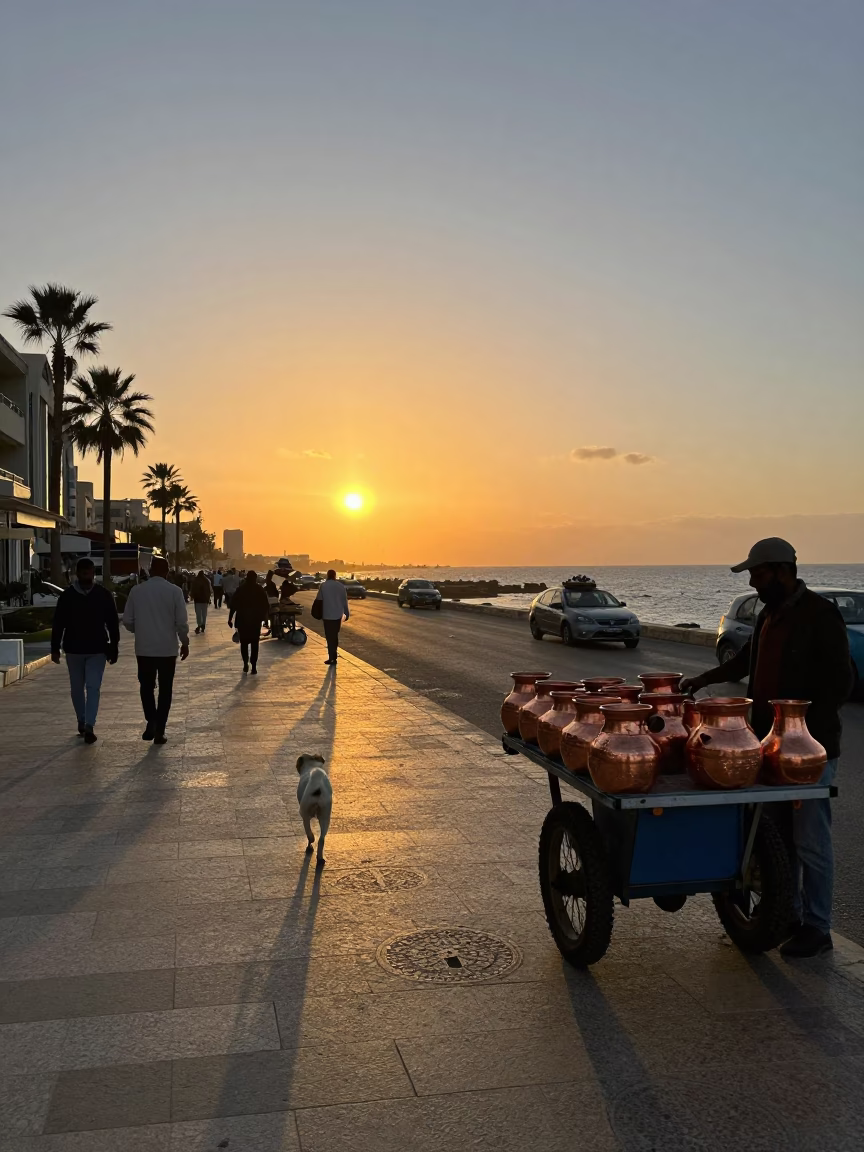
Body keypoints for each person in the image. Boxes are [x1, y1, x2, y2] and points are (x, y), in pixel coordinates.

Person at [680, 538, 852, 959]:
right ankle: (788, 917)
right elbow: (743, 663)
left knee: (811, 841)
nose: (753, 582)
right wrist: (702, 680)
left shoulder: (820, 615)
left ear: (780, 571)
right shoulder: (767, 616)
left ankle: (818, 928)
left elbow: (841, 681)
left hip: (809, 755)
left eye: (757, 574)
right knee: (776, 839)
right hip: (768, 750)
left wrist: (801, 728)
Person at [50, 557, 119, 744]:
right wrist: (54, 648)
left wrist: (114, 647)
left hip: (97, 649)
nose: (86, 576)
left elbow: (112, 623)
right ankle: (81, 719)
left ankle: (90, 725)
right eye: (83, 573)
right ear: (78, 574)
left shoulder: (103, 595)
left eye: (89, 572)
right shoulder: (67, 596)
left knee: (93, 686)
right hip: (74, 649)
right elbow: (58, 624)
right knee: (76, 688)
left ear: (93, 573)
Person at [122, 555, 190, 743]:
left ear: (151, 571)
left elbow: (127, 620)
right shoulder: (175, 592)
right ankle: (160, 728)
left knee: (146, 687)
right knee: (165, 690)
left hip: (144, 649)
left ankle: (151, 719)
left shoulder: (137, 591)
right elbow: (181, 623)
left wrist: (140, 629)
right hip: (167, 649)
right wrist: (184, 642)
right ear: (167, 572)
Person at [228, 569, 270, 674]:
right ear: (255, 579)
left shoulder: (241, 589)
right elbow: (265, 605)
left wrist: (230, 618)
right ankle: (254, 666)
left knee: (244, 644)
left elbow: (233, 605)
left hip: (242, 620)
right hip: (255, 621)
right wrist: (265, 619)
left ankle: (245, 663)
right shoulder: (259, 589)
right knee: (255, 644)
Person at [314, 569, 349, 666]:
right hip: (337, 615)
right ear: (335, 575)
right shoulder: (341, 586)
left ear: (327, 575)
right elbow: (344, 601)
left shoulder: (323, 586)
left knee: (329, 637)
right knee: (335, 635)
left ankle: (332, 657)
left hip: (327, 615)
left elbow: (319, 599)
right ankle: (334, 656)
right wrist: (346, 612)